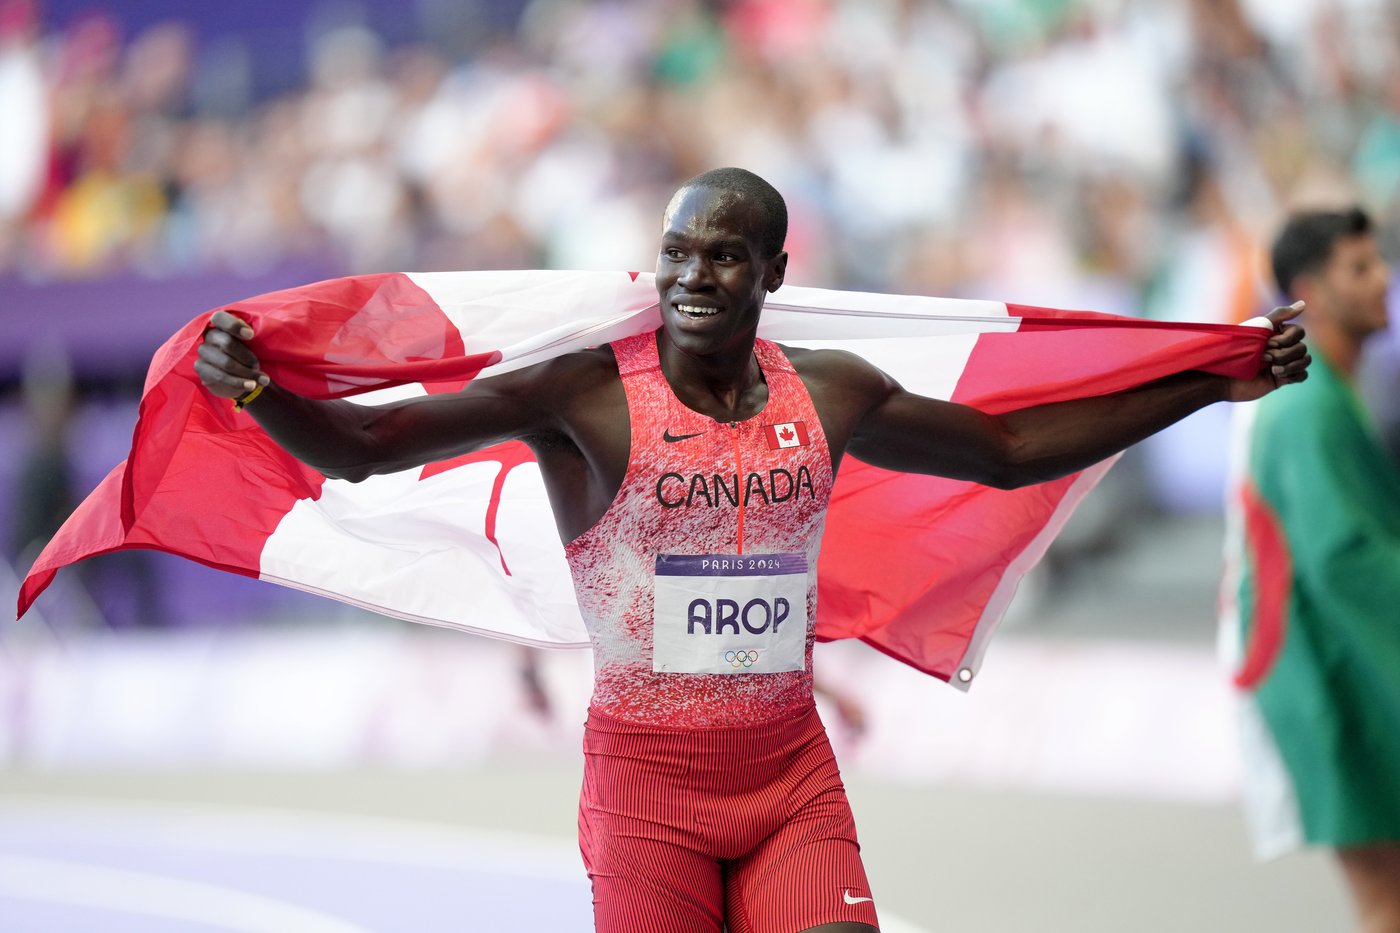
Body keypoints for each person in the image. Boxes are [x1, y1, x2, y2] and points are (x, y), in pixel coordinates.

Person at [196, 167, 1309, 933]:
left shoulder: (830, 390)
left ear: (771, 273)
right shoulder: (581, 395)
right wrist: (253, 388)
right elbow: (365, 443)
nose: (690, 277)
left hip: (785, 775)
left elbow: (1010, 450)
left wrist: (1207, 383)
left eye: (723, 257)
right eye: (676, 252)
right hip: (641, 786)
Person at [1223, 206, 1400, 933]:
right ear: (1311, 290)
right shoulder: (1306, 405)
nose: (1383, 278)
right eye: (1360, 268)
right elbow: (1341, 556)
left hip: (1334, 666)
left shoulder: (1327, 388)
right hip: (1322, 677)